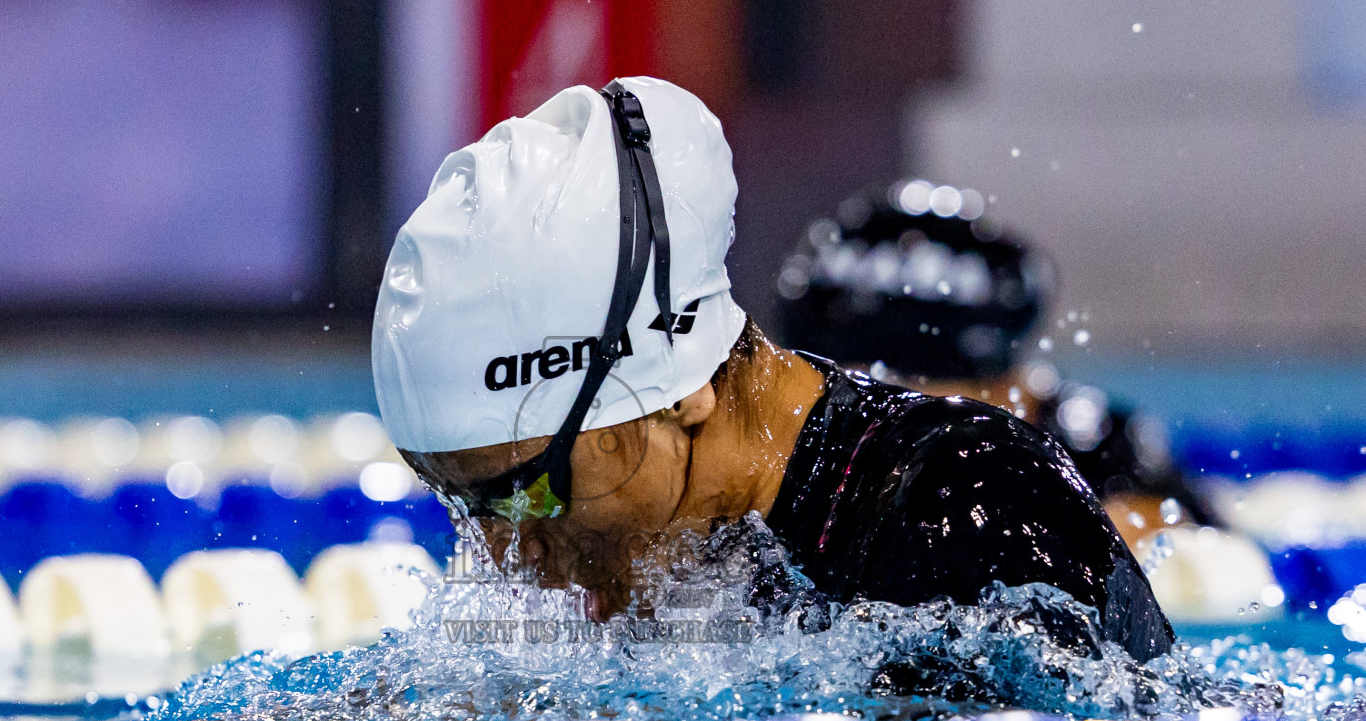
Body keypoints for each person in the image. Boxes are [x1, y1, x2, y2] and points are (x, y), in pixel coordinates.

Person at [373, 78, 1174, 663]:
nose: (506, 553)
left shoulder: (968, 508)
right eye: (458, 501)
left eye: (523, 487)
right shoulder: (678, 540)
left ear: (677, 387)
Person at [775, 186, 1216, 543]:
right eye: (859, 391)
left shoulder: (1096, 455)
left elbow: (1201, 567)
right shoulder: (777, 446)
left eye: (918, 395)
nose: (884, 421)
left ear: (1013, 389)